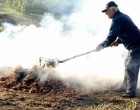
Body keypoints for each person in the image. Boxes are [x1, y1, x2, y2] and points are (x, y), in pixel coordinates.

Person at [96, 1, 140, 98]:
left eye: (107, 12)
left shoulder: (117, 20)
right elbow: (129, 31)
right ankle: (124, 86)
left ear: (112, 10)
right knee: (127, 64)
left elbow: (111, 37)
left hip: (136, 46)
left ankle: (130, 93)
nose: (106, 14)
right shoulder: (123, 16)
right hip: (135, 45)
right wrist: (119, 41)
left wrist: (101, 45)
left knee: (131, 68)